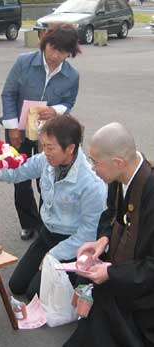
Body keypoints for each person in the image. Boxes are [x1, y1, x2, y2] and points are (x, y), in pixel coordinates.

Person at [64, 123, 154, 347]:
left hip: (144, 291)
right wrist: (102, 240)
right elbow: (112, 215)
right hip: (124, 271)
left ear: (118, 162)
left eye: (96, 163)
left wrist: (112, 273)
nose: (93, 169)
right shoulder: (119, 178)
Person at [0, 116, 107, 300]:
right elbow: (18, 172)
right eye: (43, 146)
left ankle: (78, 280)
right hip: (47, 234)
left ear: (70, 148)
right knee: (16, 286)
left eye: (50, 147)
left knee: (34, 294)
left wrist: (54, 254)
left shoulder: (91, 184)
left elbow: (88, 233)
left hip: (72, 243)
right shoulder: (45, 161)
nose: (44, 151)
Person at [0, 24, 81, 241]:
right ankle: (28, 223)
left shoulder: (72, 76)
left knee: (48, 177)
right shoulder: (24, 62)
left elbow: (69, 102)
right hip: (18, 128)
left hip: (50, 134)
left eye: (62, 52)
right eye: (52, 49)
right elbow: (8, 94)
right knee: (20, 178)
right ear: (44, 44)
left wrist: (55, 110)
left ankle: (47, 223)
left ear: (70, 53)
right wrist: (12, 127)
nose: (55, 56)